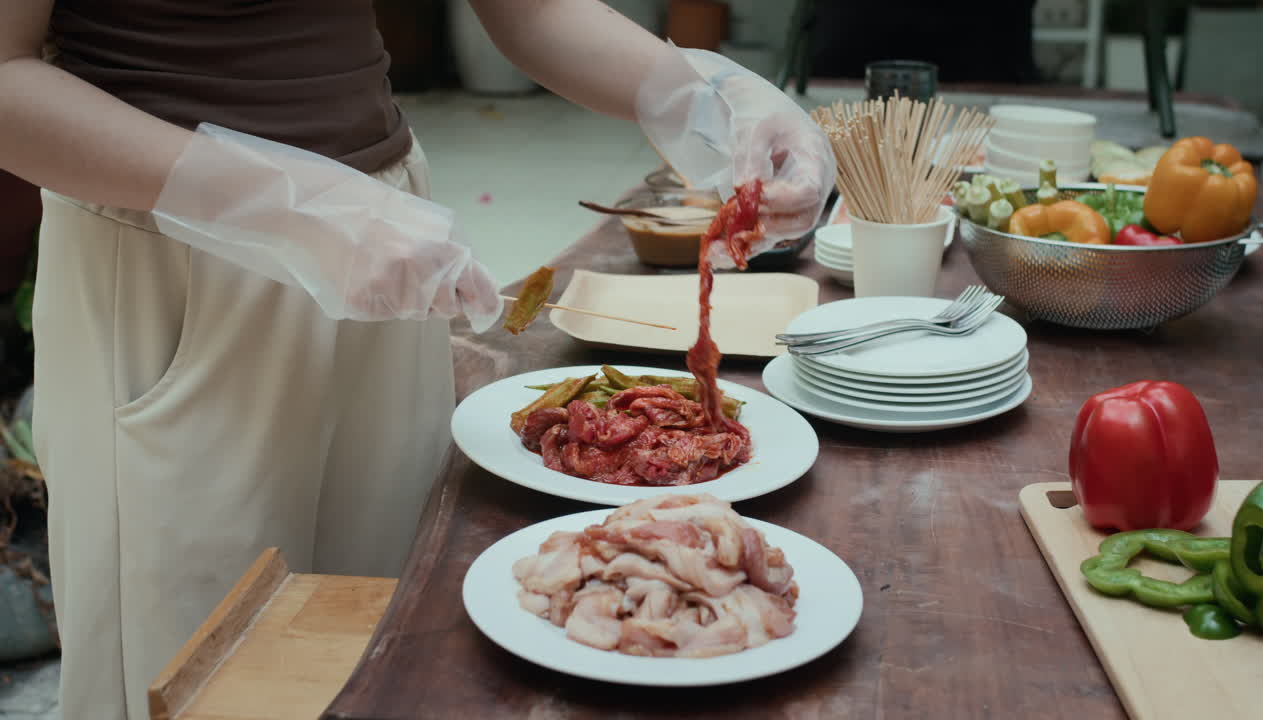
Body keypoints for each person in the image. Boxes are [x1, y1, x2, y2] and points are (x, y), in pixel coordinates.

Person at [0, 1, 834, 717]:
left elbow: (532, 12)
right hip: (177, 254)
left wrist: (711, 99)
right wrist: (285, 204)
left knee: (387, 647)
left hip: (385, 242)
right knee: (197, 671)